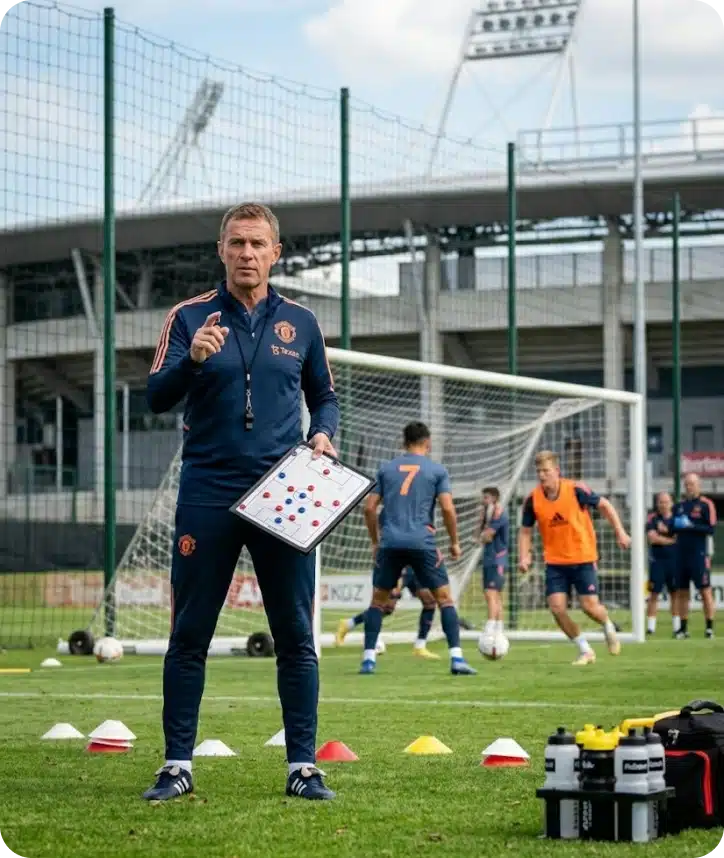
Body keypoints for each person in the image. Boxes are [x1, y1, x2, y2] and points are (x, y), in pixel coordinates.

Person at [142, 202, 339, 802]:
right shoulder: (188, 317)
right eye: (236, 243)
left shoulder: (302, 322)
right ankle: (177, 765)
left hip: (283, 494)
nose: (246, 253)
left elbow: (325, 398)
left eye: (257, 244)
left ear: (276, 253)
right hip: (207, 492)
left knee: (295, 636)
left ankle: (302, 767)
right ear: (221, 251)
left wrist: (323, 434)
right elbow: (155, 396)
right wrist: (193, 361)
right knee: (190, 634)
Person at [359, 421, 477, 675]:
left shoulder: (386, 469)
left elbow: (369, 508)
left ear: (404, 442)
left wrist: (375, 541)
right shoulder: (436, 470)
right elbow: (447, 508)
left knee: (378, 603)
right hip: (422, 542)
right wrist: (455, 542)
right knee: (444, 599)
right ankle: (456, 658)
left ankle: (368, 659)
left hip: (390, 542)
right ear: (428, 442)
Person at [517, 450, 630, 665]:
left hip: (583, 558)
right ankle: (585, 650)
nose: (542, 476)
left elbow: (605, 505)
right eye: (539, 471)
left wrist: (620, 532)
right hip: (555, 562)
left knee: (589, 607)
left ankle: (606, 623)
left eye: (546, 471)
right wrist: (525, 556)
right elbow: (525, 530)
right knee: (557, 608)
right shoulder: (533, 500)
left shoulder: (576, 489)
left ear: (557, 471)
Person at [335, 567, 441, 659]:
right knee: (387, 607)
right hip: (399, 565)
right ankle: (350, 624)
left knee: (430, 602)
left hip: (415, 566)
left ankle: (420, 647)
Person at [672, 472, 717, 639]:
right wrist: (672, 526)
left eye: (691, 484)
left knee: (705, 591)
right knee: (682, 593)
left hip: (698, 555)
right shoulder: (679, 506)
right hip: (681, 555)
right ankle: (683, 629)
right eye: (686, 484)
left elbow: (710, 528)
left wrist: (691, 526)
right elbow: (673, 528)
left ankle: (709, 628)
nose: (688, 487)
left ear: (699, 485)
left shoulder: (706, 505)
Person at [478, 486, 509, 637]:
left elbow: (487, 536)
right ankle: (499, 628)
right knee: (493, 595)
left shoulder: (499, 514)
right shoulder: (488, 515)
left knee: (491, 593)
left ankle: (490, 627)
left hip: (498, 559)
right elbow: (479, 534)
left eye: (486, 498)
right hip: (489, 559)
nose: (482, 501)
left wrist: (483, 533)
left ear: (494, 499)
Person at [646, 491, 678, 636]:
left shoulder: (677, 518)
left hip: (675, 561)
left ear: (671, 503)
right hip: (657, 562)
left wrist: (663, 536)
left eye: (666, 502)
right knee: (654, 594)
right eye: (660, 502)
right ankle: (651, 628)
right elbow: (652, 538)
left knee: (675, 594)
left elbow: (681, 537)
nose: (663, 505)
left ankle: (677, 627)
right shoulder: (652, 518)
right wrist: (671, 540)